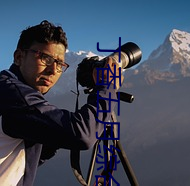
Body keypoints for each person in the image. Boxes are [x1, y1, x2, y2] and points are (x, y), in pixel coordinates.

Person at [0, 20, 123, 186]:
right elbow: (83, 135)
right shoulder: (14, 94)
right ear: (19, 57)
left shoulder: (11, 89)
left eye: (59, 64)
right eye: (45, 58)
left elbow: (24, 159)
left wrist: (54, 133)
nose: (52, 70)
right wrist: (107, 88)